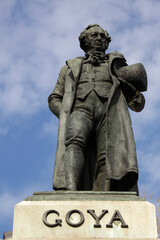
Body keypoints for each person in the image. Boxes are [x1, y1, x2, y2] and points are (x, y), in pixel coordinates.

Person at [48, 24, 147, 193]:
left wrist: (129, 87)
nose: (99, 39)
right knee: (74, 139)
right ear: (85, 41)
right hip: (80, 110)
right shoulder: (68, 69)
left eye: (103, 36)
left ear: (107, 43)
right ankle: (71, 190)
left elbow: (138, 104)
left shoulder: (118, 67)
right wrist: (67, 115)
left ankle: (104, 194)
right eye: (94, 35)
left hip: (109, 115)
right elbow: (54, 98)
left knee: (107, 156)